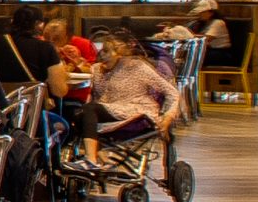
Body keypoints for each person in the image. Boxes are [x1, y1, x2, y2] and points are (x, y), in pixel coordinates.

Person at [69, 26, 182, 164]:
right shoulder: (97, 69)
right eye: (101, 52)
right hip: (107, 110)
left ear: (119, 53)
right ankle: (96, 155)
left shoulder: (137, 67)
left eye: (106, 51)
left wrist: (168, 116)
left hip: (137, 111)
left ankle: (91, 160)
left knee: (90, 109)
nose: (102, 56)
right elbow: (88, 87)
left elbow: (172, 92)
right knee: (76, 112)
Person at [0, 5, 70, 101]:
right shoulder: (45, 48)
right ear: (38, 24)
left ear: (12, 21)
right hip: (30, 110)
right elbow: (59, 91)